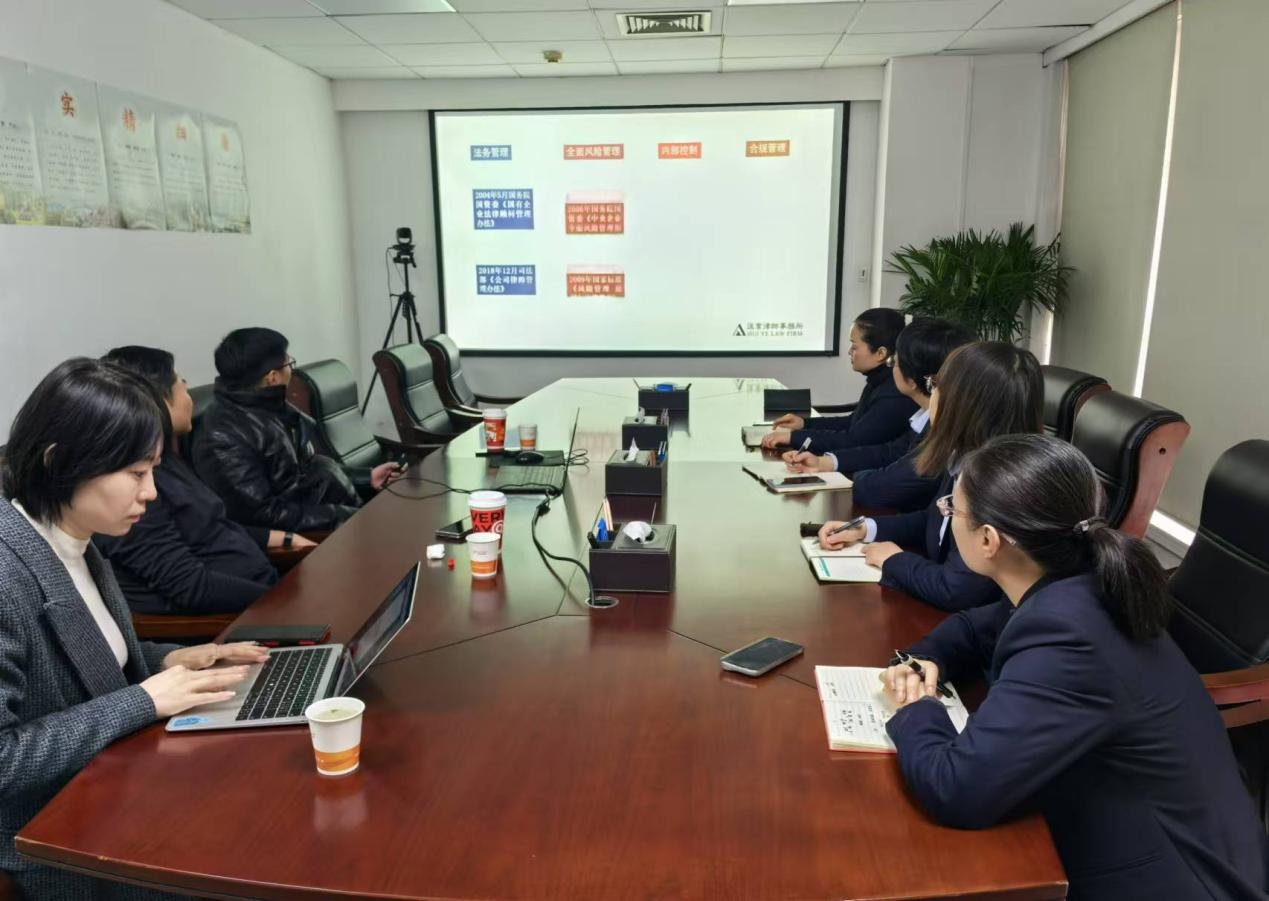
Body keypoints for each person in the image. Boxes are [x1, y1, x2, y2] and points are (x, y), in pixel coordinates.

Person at [879, 434, 1269, 900]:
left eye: (952, 510)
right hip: (1159, 830)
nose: (946, 514)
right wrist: (924, 658)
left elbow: (956, 789)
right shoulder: (1078, 579)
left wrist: (916, 708)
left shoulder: (1069, 636)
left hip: (1169, 878)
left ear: (988, 540)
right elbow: (974, 628)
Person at [0, 358, 268, 899]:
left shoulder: (76, 537)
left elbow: (88, 662)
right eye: (136, 474)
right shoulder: (8, 572)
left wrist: (171, 660)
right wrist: (145, 700)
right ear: (59, 462)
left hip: (118, 782)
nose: (151, 493)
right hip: (59, 835)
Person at [817, 342, 1043, 611]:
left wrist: (893, 560)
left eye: (936, 385)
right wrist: (866, 528)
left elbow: (955, 589)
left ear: (961, 403)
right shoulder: (968, 456)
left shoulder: (1000, 484)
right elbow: (933, 519)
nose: (932, 394)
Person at [97, 346, 315, 616]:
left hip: (262, 595)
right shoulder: (130, 489)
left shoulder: (166, 460)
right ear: (156, 400)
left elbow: (209, 528)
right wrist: (284, 601)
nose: (189, 397)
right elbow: (191, 586)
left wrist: (282, 538)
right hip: (232, 621)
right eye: (182, 385)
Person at [193, 327, 402, 533]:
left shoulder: (270, 408)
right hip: (316, 535)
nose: (291, 371)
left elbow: (304, 473)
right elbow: (264, 514)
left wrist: (367, 478)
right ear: (272, 377)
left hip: (336, 511)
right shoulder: (222, 437)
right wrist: (342, 516)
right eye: (289, 363)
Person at [784, 317, 975, 512]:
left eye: (894, 362)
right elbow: (891, 451)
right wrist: (826, 461)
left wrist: (854, 477)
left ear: (913, 380)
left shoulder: (935, 426)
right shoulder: (928, 417)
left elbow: (880, 483)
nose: (891, 369)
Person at [761, 308, 916, 453]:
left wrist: (793, 438)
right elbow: (853, 423)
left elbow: (854, 440)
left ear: (880, 353)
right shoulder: (879, 380)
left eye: (854, 346)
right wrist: (804, 424)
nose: (849, 351)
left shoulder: (893, 393)